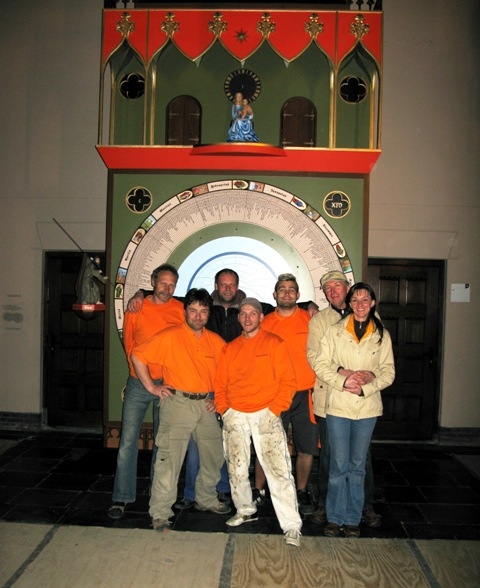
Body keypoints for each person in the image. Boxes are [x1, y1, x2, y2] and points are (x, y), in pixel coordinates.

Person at [131, 288, 230, 532]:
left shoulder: (216, 342)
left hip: (206, 405)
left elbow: (228, 373)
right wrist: (152, 387)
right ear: (185, 311)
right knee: (169, 460)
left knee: (214, 456)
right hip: (177, 404)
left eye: (203, 311)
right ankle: (160, 513)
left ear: (209, 314)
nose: (198, 316)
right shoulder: (170, 336)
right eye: (193, 310)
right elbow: (137, 356)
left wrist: (220, 399)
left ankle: (206, 498)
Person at [214, 298, 303, 547]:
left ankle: (292, 525)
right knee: (236, 468)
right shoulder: (229, 349)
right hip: (235, 415)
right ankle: (245, 509)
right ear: (238, 317)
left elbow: (288, 382)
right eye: (243, 313)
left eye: (252, 313)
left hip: (266, 414)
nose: (247, 318)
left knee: (278, 471)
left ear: (261, 317)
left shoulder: (275, 343)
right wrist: (225, 410)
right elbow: (219, 384)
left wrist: (273, 411)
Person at [311, 282, 395, 538]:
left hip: (367, 409)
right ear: (349, 304)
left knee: (357, 466)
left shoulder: (381, 335)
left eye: (365, 300)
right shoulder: (334, 331)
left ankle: (352, 519)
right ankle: (334, 518)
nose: (360, 305)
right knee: (338, 465)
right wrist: (343, 381)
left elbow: (388, 372)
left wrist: (368, 384)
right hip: (338, 405)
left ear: (372, 303)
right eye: (355, 300)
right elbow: (321, 364)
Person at [108, 264, 184, 519]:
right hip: (139, 383)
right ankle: (122, 496)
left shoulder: (180, 309)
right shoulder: (137, 308)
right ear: (153, 282)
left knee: (163, 442)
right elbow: (129, 345)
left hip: (168, 383)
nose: (167, 288)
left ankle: (158, 493)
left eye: (172, 284)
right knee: (128, 441)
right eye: (163, 283)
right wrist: (144, 378)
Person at [253, 273, 318, 515]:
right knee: (266, 445)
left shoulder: (311, 319)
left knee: (306, 446)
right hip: (275, 394)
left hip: (305, 394)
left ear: (298, 295)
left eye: (291, 289)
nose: (287, 293)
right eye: (282, 289)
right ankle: (258, 490)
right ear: (274, 294)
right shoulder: (266, 323)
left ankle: (300, 491)